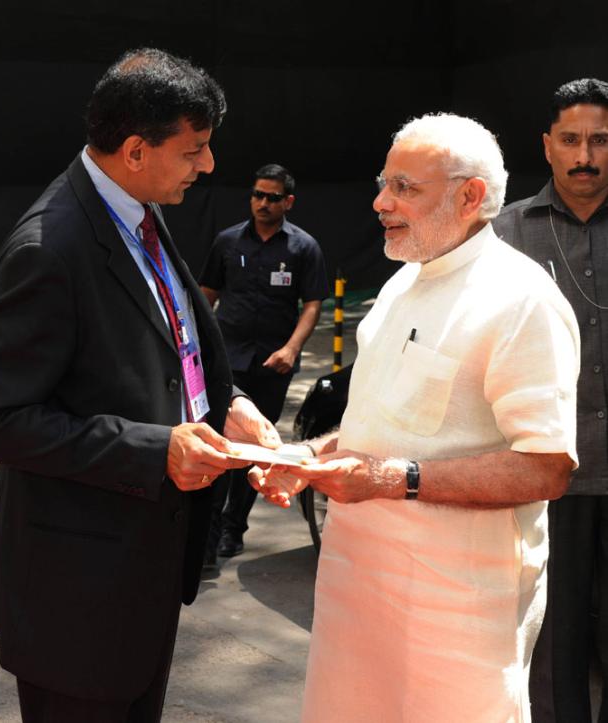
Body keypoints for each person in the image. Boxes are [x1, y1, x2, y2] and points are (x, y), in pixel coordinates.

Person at [0, 48, 280, 723]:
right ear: (136, 150)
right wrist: (155, 447)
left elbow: (184, 334)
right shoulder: (47, 250)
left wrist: (231, 405)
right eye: (195, 149)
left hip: (142, 572)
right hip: (74, 600)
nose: (210, 165)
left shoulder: (137, 206)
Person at [251, 113, 581, 722]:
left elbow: (545, 469)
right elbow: (384, 424)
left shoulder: (521, 301)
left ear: (470, 196)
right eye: (385, 182)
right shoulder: (401, 284)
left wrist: (389, 479)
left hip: (453, 615)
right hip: (357, 590)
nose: (380, 202)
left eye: (406, 187)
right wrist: (313, 456)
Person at [492, 77, 608, 722]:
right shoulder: (504, 236)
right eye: (571, 140)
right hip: (544, 472)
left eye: (600, 140)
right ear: (547, 146)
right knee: (553, 644)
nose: (585, 155)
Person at [199, 164, 329, 560]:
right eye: (257, 195)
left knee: (259, 448)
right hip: (227, 363)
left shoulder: (303, 247)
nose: (263, 203)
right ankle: (208, 532)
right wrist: (201, 349)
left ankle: (234, 527)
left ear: (288, 201)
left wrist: (291, 348)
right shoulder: (226, 242)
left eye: (272, 197)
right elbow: (206, 294)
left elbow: (312, 304)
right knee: (220, 443)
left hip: (273, 364)